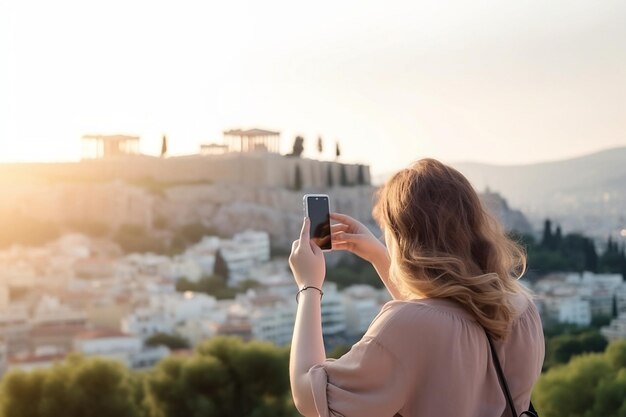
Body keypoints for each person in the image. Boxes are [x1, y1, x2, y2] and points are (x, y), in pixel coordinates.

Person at [288, 158, 545, 417]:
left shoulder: (406, 326)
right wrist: (378, 255)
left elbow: (308, 396)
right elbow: (441, 324)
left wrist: (308, 286)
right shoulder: (521, 310)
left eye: (387, 232)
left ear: (402, 239)